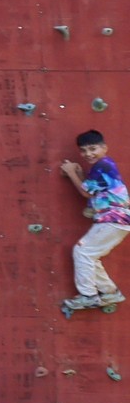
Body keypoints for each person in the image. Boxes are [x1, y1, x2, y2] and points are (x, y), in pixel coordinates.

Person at [60, 131, 129, 317]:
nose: (88, 154)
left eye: (93, 149)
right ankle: (109, 292)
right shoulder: (102, 166)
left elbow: (86, 193)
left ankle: (88, 295)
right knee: (90, 255)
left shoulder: (103, 164)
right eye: (83, 151)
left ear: (104, 148)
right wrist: (79, 173)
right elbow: (91, 188)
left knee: (82, 251)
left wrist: (71, 172)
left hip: (113, 219)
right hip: (118, 220)